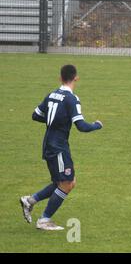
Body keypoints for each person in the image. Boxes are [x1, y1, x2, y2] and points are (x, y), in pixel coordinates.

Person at [20, 64, 103, 231]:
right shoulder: (72, 99)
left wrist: (54, 120)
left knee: (63, 182)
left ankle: (30, 201)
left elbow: (36, 115)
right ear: (76, 78)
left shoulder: (51, 95)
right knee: (67, 183)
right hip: (58, 147)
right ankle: (44, 220)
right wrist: (97, 125)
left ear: (60, 78)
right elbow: (81, 126)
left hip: (49, 144)